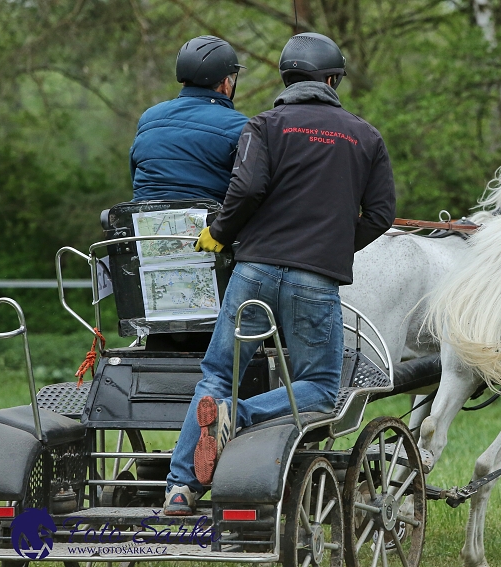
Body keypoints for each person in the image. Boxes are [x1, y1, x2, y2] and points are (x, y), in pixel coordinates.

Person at [163, 32, 397, 515]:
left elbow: (246, 189)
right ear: (332, 80)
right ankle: (241, 416)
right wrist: (332, 247)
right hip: (315, 279)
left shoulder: (265, 125)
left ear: (286, 78)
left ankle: (181, 488)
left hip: (254, 274)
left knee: (217, 375)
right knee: (319, 387)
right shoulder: (365, 135)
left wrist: (221, 232)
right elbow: (380, 215)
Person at [130, 35, 249, 202]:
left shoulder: (148, 119)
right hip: (211, 226)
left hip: (145, 224)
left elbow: (136, 175)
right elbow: (249, 190)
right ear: (225, 84)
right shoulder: (240, 126)